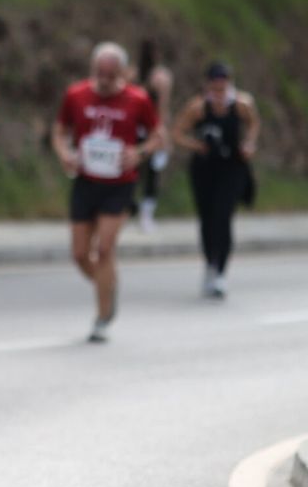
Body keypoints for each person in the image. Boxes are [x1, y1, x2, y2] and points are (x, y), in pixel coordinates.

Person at [51, 42, 164, 343]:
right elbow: (60, 130)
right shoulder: (76, 94)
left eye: (111, 74)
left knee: (104, 249)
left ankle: (102, 316)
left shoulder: (137, 100)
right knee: (79, 253)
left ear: (123, 73)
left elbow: (157, 136)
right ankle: (107, 287)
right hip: (86, 180)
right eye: (99, 73)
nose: (104, 79)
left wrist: (138, 153)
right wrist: (65, 153)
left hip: (119, 183)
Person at [170, 61, 260, 298]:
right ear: (208, 83)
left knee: (224, 217)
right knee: (207, 219)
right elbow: (177, 132)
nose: (219, 90)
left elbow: (253, 125)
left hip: (231, 168)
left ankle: (220, 271)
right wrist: (196, 145)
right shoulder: (198, 107)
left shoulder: (241, 104)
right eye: (215, 84)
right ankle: (210, 264)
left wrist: (249, 144)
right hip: (205, 169)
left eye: (223, 84)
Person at [134, 40, 174, 233]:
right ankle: (139, 211)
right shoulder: (138, 75)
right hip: (139, 128)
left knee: (148, 172)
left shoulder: (153, 77)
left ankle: (143, 213)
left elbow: (162, 109)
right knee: (144, 173)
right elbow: (163, 110)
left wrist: (162, 136)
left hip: (146, 129)